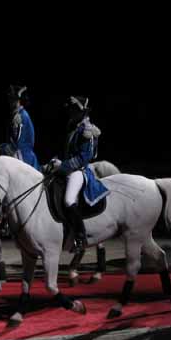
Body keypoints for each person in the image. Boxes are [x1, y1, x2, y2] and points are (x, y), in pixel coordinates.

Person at [48, 96, 110, 253]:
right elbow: (66, 152)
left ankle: (80, 236)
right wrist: (55, 161)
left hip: (79, 171)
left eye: (73, 110)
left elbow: (84, 158)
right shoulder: (73, 127)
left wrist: (62, 166)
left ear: (81, 112)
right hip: (67, 168)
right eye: (70, 110)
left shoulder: (87, 131)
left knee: (69, 200)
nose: (70, 113)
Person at [2, 85, 41, 171]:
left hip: (23, 157)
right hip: (18, 153)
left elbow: (18, 144)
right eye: (9, 98)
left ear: (18, 100)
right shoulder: (15, 115)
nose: (9, 101)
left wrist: (1, 149)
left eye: (12, 99)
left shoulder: (20, 116)